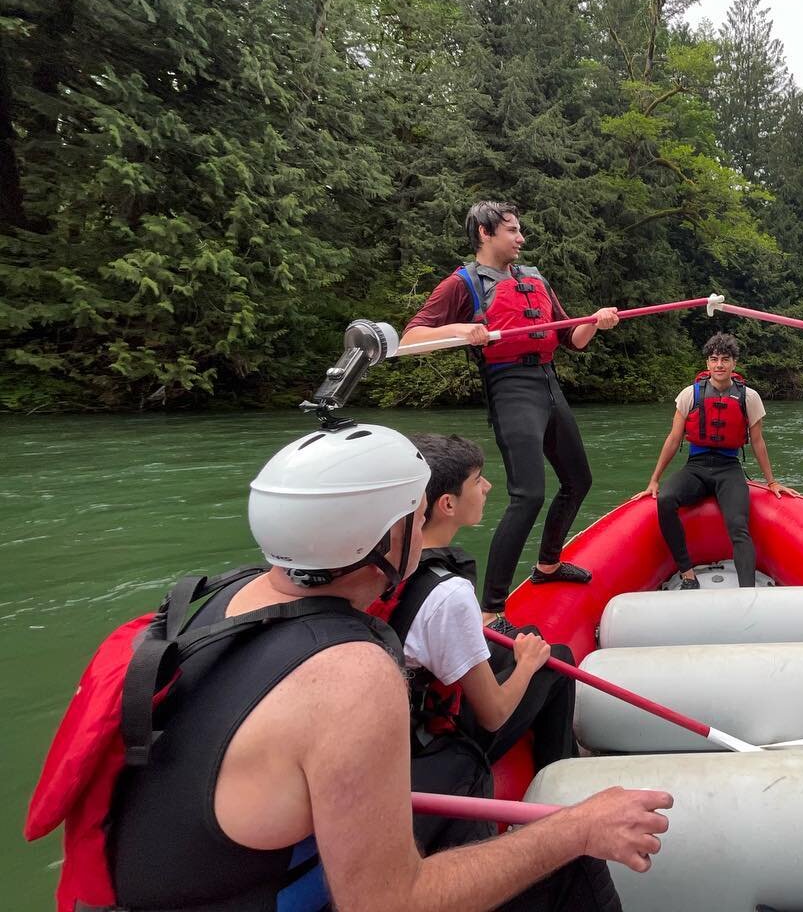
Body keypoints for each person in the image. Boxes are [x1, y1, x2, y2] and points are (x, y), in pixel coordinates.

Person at [30, 423, 670, 911]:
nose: (423, 528)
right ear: (387, 538)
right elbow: (388, 902)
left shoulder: (219, 601)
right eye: (415, 516)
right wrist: (578, 827)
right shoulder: (351, 675)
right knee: (568, 864)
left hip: (183, 883)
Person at [401, 201, 620, 636]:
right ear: (484, 233)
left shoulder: (535, 278)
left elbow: (571, 338)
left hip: (547, 382)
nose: (521, 238)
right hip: (509, 385)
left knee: (578, 479)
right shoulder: (461, 284)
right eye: (512, 231)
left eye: (520, 231)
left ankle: (548, 564)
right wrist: (460, 330)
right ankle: (489, 609)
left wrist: (596, 322)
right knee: (529, 494)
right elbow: (411, 339)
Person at [367, 432, 581, 854]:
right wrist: (527, 665)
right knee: (554, 658)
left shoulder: (377, 557)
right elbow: (494, 715)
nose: (487, 487)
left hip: (397, 712)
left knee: (525, 636)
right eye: (477, 480)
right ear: (447, 504)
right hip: (432, 743)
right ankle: (562, 781)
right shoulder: (448, 593)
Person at [636, 332, 794, 588]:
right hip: (696, 467)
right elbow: (674, 438)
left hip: (728, 469)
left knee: (738, 525)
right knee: (665, 500)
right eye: (714, 359)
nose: (719, 365)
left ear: (734, 363)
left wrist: (772, 481)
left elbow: (758, 442)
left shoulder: (749, 397)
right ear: (707, 363)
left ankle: (747, 592)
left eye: (725, 359)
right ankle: (687, 574)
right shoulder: (690, 394)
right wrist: (654, 480)